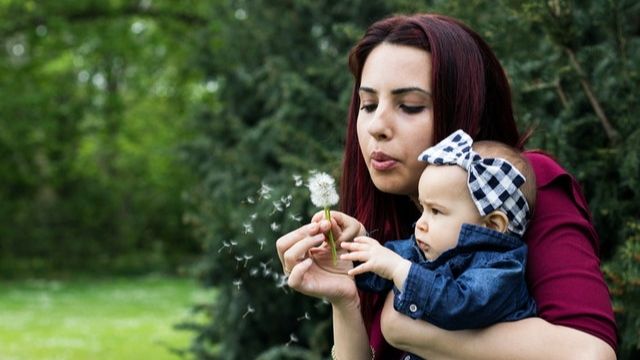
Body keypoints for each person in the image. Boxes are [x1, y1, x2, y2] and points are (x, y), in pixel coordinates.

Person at [276, 13, 617, 360]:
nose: (377, 126)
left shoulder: (516, 185)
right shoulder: (397, 225)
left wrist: (404, 326)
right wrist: (344, 297)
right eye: (368, 104)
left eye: (409, 106)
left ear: (465, 108)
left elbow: (590, 354)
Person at [341, 129, 537, 333]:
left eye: (436, 211)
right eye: (423, 209)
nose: (420, 224)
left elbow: (459, 305)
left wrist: (400, 270)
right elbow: (383, 263)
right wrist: (348, 251)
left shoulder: (503, 270)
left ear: (492, 225)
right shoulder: (428, 249)